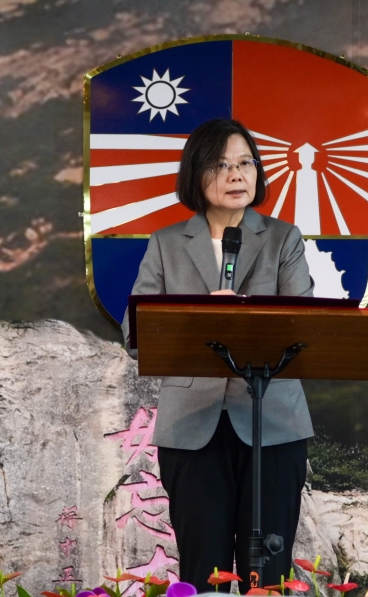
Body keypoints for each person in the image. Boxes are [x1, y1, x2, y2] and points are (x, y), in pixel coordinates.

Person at [121, 118, 314, 591]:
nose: (236, 175)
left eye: (245, 162)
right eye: (221, 164)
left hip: (273, 421)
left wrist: (242, 317)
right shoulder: (167, 244)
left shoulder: (282, 238)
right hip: (193, 424)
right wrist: (204, 316)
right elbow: (137, 330)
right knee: (204, 571)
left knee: (268, 570)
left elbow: (304, 322)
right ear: (196, 175)